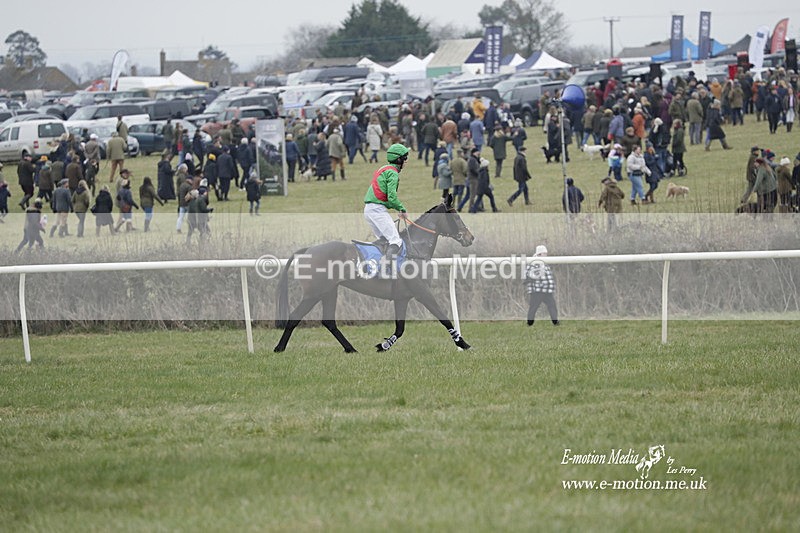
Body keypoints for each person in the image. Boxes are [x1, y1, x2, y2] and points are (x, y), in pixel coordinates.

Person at [363, 143, 410, 269]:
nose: (407, 162)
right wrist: (402, 209)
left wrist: (396, 207)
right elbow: (392, 197)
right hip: (377, 210)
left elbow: (385, 197)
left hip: (369, 209)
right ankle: (386, 270)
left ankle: (374, 264)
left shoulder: (383, 169)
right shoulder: (393, 173)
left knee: (384, 240)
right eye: (405, 159)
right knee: (396, 241)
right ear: (399, 160)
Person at [523, 245, 559, 326]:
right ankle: (530, 323)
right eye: (544, 253)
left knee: (552, 306)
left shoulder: (545, 264)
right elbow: (530, 275)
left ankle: (555, 322)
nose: (546, 255)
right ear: (539, 254)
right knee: (534, 307)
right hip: (537, 290)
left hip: (547, 290)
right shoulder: (533, 263)